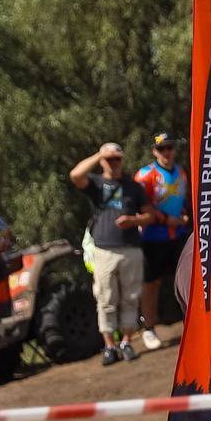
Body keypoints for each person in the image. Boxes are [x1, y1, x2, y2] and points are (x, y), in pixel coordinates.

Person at [68, 142, 152, 364]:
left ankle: (126, 341)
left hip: (131, 249)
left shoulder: (133, 187)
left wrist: (134, 220)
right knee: (105, 299)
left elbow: (150, 215)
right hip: (104, 250)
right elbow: (75, 175)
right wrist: (99, 154)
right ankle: (109, 346)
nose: (114, 163)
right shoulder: (95, 183)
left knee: (130, 298)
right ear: (103, 161)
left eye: (117, 158)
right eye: (110, 159)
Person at [134, 131, 190, 344]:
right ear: (154, 151)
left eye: (170, 147)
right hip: (153, 236)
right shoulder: (145, 175)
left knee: (185, 279)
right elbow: (141, 206)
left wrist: (184, 214)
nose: (166, 152)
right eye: (161, 148)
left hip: (179, 235)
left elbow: (183, 199)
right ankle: (148, 327)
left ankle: (190, 322)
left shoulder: (181, 172)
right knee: (151, 282)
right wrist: (164, 219)